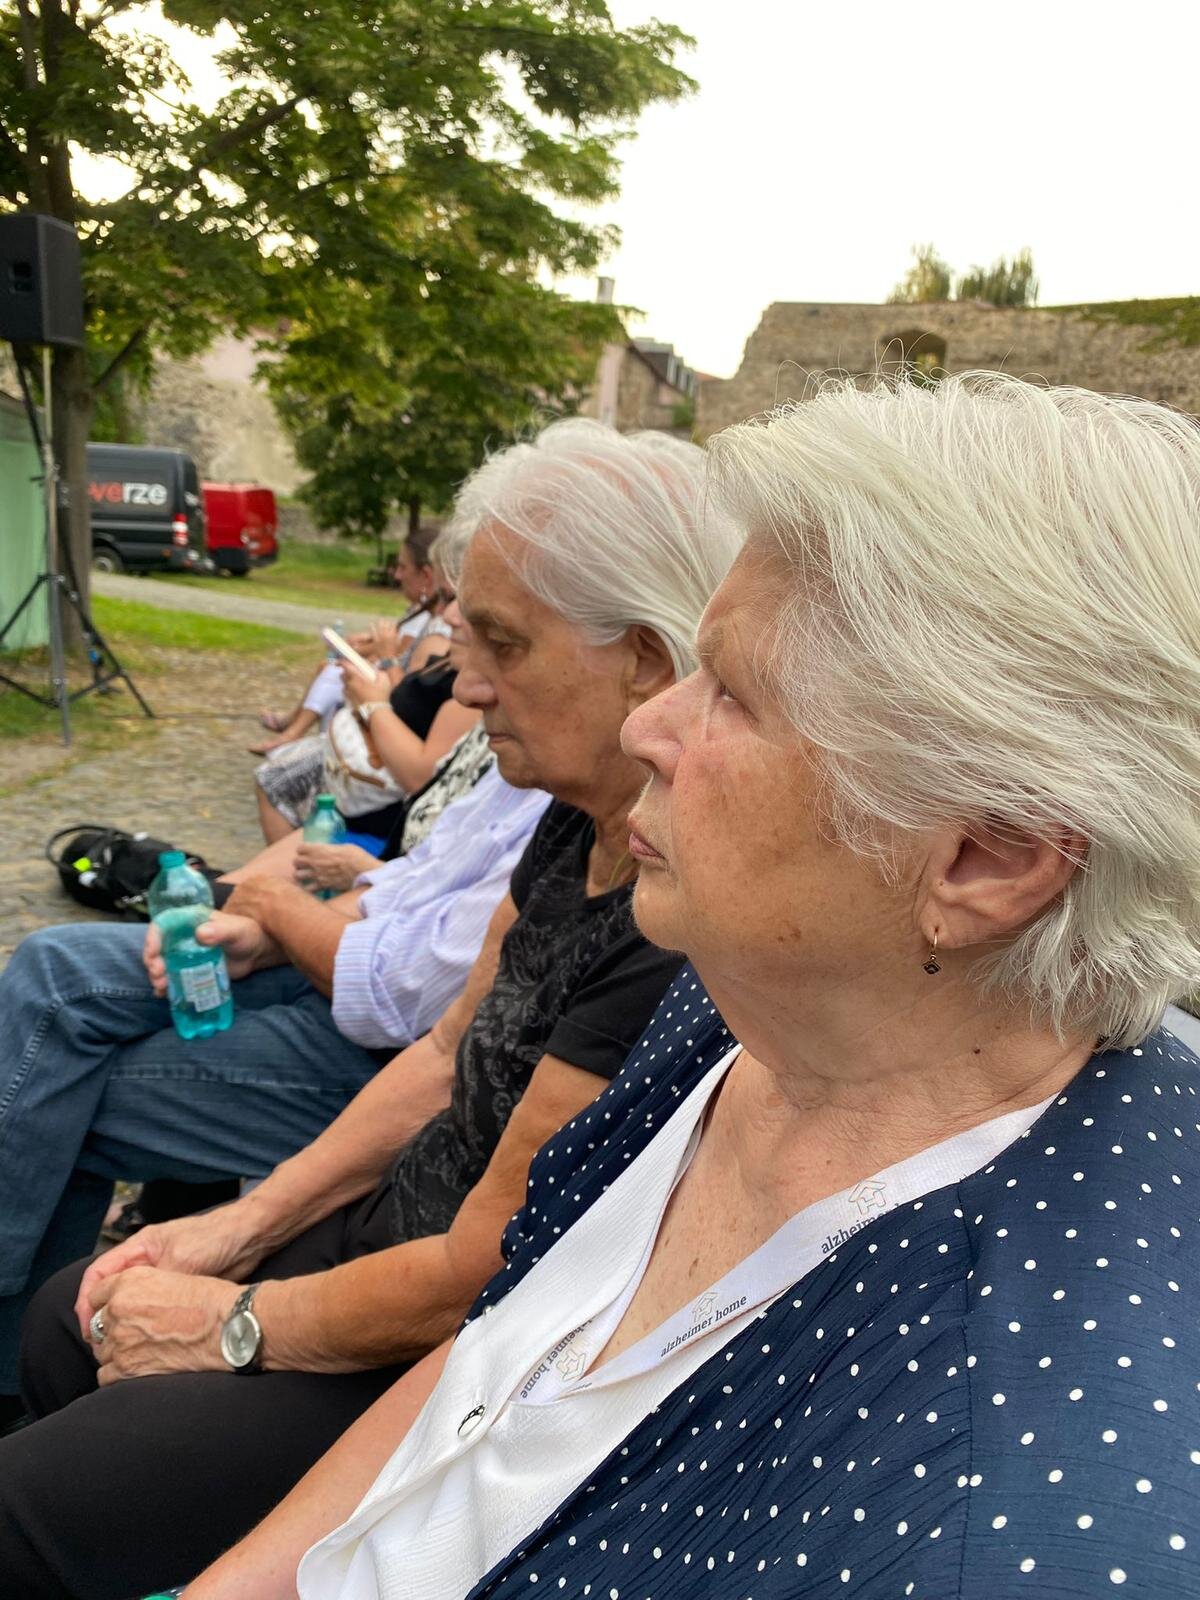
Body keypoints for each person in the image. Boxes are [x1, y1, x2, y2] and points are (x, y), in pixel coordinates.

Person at [184, 375, 1200, 1600]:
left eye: (733, 691)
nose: (645, 728)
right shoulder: (748, 1013)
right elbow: (493, 1361)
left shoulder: (984, 1502)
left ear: (989, 856)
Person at [0, 417, 742, 1596]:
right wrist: (237, 1228)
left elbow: (477, 1268)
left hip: (456, 1354)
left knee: (32, 1498)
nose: (469, 683)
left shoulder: (673, 915)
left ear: (649, 658)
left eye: (503, 643)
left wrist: (231, 1320)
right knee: (69, 1312)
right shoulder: (573, 819)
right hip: (398, 1227)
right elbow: (445, 1049)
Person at [252, 524, 449, 756]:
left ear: (426, 575)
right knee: (334, 673)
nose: (396, 575)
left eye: (402, 567)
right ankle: (295, 733)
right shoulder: (425, 616)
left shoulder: (436, 630)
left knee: (333, 673)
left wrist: (384, 658)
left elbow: (409, 700)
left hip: (391, 733)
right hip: (384, 723)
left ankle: (292, 734)